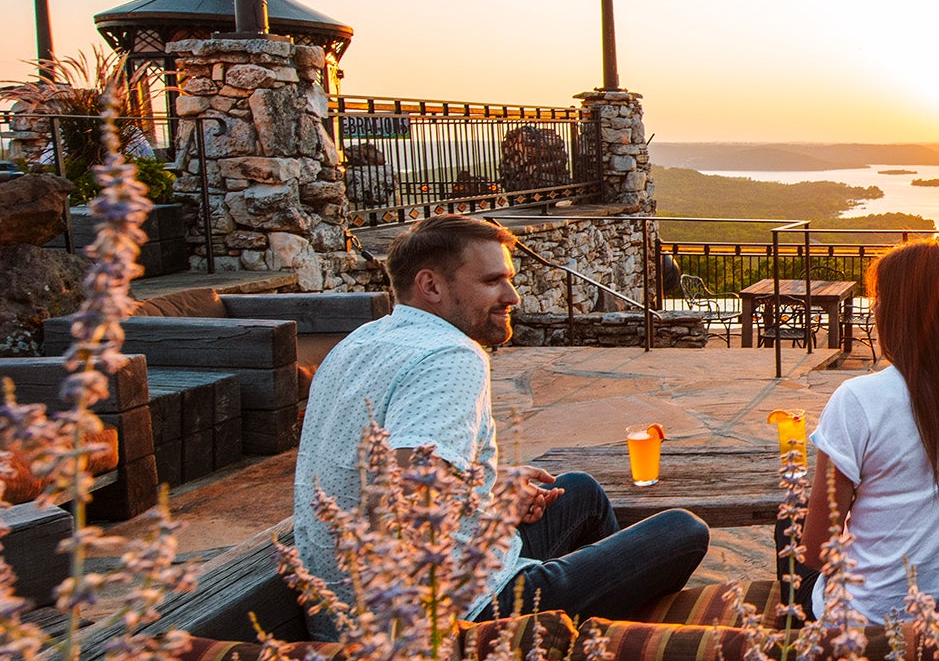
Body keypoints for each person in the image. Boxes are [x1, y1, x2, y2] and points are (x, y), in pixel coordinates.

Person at [294, 214, 709, 637]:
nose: (512, 295)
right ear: (431, 286)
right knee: (683, 531)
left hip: (341, 611)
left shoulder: (359, 343)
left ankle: (596, 630)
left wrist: (487, 493)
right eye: (493, 281)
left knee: (580, 491)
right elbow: (402, 506)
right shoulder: (449, 357)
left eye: (509, 279)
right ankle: (595, 649)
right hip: (460, 613)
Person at [786, 241, 939, 623]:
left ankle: (793, 648)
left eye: (879, 298)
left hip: (863, 622)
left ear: (897, 312)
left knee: (788, 527)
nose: (875, 308)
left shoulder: (857, 401)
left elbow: (818, 551)